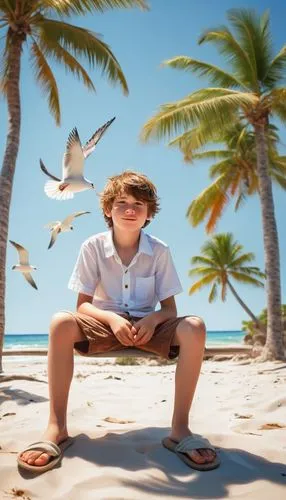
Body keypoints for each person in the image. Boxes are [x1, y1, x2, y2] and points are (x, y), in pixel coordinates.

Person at [18, 170, 220, 472]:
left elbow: (169, 309)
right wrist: (112, 320)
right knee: (60, 322)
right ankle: (56, 428)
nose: (130, 210)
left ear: (149, 213)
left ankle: (180, 430)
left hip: (146, 327)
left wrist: (152, 320)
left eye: (139, 204)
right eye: (122, 202)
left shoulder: (160, 251)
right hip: (102, 323)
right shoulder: (92, 247)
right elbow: (83, 306)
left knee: (195, 327)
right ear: (107, 209)